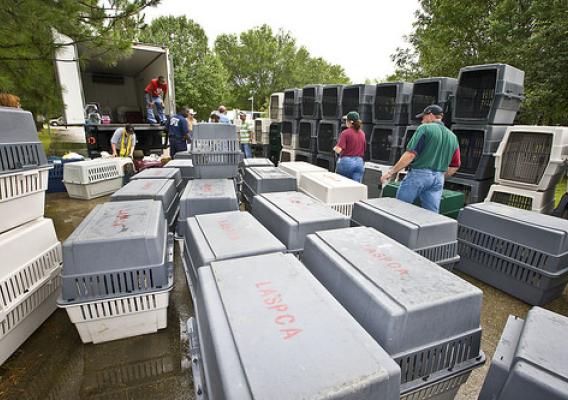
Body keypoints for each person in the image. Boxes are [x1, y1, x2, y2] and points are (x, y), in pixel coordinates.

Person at [380, 104, 461, 213]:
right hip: (438, 179)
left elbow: (410, 155)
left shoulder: (425, 128)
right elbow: (455, 164)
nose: (422, 121)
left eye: (423, 117)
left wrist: (391, 172)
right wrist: (440, 176)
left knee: (400, 209)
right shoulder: (452, 136)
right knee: (431, 215)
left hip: (419, 175)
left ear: (431, 115)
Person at [334, 111, 366, 182]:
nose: (345, 122)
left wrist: (335, 148)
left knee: (342, 184)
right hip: (359, 162)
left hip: (347, 162)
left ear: (349, 122)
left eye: (346, 120)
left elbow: (339, 149)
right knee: (355, 187)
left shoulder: (345, 133)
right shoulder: (362, 133)